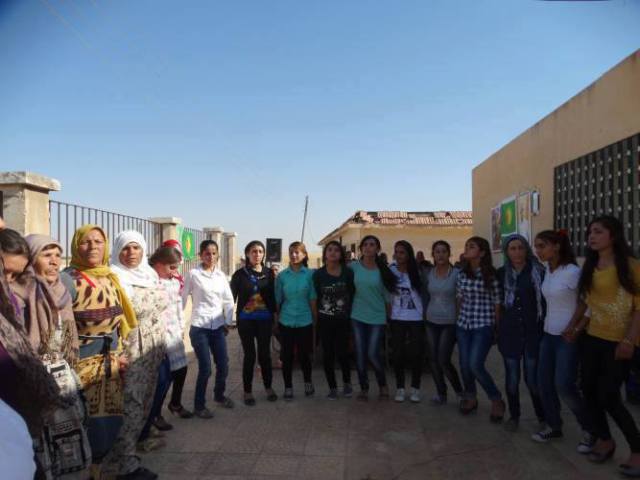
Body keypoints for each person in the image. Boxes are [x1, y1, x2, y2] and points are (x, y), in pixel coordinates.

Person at [564, 216, 640, 476]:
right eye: (590, 233)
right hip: (592, 338)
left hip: (620, 342)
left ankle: (637, 449)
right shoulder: (590, 265)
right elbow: (589, 305)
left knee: (609, 396)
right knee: (588, 391)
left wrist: (629, 340)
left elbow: (638, 307)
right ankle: (605, 440)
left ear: (613, 235)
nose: (591, 237)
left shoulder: (631, 266)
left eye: (598, 232)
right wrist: (575, 329)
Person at [60, 225, 137, 478]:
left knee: (111, 420)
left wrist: (120, 353)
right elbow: (59, 328)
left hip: (110, 364)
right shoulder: (67, 280)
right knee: (89, 424)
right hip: (81, 365)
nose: (93, 246)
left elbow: (117, 324)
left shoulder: (109, 277)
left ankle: (99, 469)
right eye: (86, 241)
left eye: (98, 241)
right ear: (76, 246)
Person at [24, 234, 91, 479]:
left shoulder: (62, 292)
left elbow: (68, 340)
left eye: (57, 255)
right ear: (31, 259)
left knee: (71, 443)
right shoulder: (22, 296)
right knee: (42, 448)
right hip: (36, 381)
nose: (54, 262)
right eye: (46, 255)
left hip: (64, 379)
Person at [107, 230, 168, 479]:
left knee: (145, 403)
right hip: (131, 349)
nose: (131, 253)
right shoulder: (114, 277)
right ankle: (124, 465)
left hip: (152, 349)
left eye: (136, 248)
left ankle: (127, 454)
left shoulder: (149, 275)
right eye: (125, 248)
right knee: (130, 405)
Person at [531, 229, 595, 451]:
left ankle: (590, 430)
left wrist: (575, 329)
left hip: (567, 338)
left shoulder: (572, 272)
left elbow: (589, 303)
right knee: (543, 383)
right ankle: (554, 426)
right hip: (548, 335)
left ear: (556, 246)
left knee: (564, 385)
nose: (537, 251)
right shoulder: (549, 271)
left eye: (542, 246)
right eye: (536, 247)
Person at [496, 234, 545, 432]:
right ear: (507, 252)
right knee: (512, 379)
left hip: (533, 332)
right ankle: (514, 415)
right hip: (510, 333)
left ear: (527, 250)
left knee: (532, 380)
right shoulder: (501, 274)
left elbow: (545, 303)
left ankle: (543, 416)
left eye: (520, 247)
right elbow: (497, 303)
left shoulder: (539, 272)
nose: (517, 252)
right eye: (512, 248)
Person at [183, 240, 235, 417]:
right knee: (206, 368)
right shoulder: (193, 274)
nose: (211, 257)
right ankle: (199, 406)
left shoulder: (221, 276)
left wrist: (228, 321)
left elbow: (228, 300)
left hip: (218, 327)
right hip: (200, 327)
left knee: (223, 364)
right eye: (207, 253)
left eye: (214, 253)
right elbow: (182, 298)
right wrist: (178, 323)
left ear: (218, 255)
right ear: (200, 255)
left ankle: (219, 396)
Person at [456, 236, 505, 422]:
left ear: (482, 253)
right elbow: (460, 299)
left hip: (483, 325)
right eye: (466, 245)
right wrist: (458, 319)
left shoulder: (490, 275)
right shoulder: (462, 274)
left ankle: (496, 399)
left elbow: (497, 303)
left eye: (472, 246)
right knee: (464, 365)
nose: (467, 248)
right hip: (464, 324)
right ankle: (470, 397)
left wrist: (497, 329)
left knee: (475, 365)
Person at [230, 241, 278, 406]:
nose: (257, 254)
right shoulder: (239, 275)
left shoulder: (269, 273)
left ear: (264, 254)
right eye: (253, 251)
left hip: (265, 321)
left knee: (265, 355)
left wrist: (275, 317)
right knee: (250, 356)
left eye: (260, 251)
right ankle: (247, 391)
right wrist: (228, 320)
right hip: (246, 321)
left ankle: (268, 387)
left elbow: (272, 297)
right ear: (247, 254)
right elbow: (231, 299)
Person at [349, 235, 397, 401]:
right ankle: (364, 388)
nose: (368, 247)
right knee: (360, 354)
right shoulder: (353, 267)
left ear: (377, 249)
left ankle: (382, 384)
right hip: (357, 315)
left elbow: (387, 297)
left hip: (377, 317)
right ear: (361, 248)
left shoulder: (383, 269)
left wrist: (389, 318)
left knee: (372, 353)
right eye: (365, 245)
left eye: (372, 245)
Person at [148, 246, 192, 419]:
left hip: (174, 333)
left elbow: (178, 307)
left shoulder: (173, 282)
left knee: (181, 370)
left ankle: (175, 403)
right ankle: (155, 414)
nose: (175, 271)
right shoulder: (150, 282)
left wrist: (181, 328)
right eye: (172, 267)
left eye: (176, 267)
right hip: (157, 336)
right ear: (159, 264)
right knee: (163, 378)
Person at [313, 240, 355, 399]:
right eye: (329, 249)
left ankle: (347, 383)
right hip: (325, 321)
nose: (332, 252)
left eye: (336, 250)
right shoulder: (318, 274)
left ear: (341, 254)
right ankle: (332, 388)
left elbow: (352, 294)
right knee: (328, 355)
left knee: (343, 354)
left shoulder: (348, 273)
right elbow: (315, 297)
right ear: (325, 254)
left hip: (343, 320)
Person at [275, 241, 317, 400]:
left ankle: (308, 382)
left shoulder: (310, 275)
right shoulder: (282, 276)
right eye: (291, 252)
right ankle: (288, 387)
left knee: (305, 355)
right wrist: (276, 320)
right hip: (286, 320)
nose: (293, 255)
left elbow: (313, 298)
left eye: (297, 252)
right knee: (287, 356)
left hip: (305, 320)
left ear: (304, 255)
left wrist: (315, 319)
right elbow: (278, 300)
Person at [424, 240, 463, 405]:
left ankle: (460, 393)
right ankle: (441, 393)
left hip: (449, 322)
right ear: (433, 255)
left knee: (443, 360)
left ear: (449, 254)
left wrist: (459, 320)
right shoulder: (429, 274)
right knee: (433, 360)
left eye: (444, 251)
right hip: (431, 321)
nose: (440, 255)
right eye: (437, 252)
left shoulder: (457, 274)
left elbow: (460, 299)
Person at [389, 240, 424, 403]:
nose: (398, 255)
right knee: (398, 354)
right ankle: (400, 388)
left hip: (416, 317)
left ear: (409, 254)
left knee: (416, 353)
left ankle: (415, 388)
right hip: (397, 317)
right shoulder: (391, 270)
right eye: (396, 252)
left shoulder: (417, 271)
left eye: (402, 252)